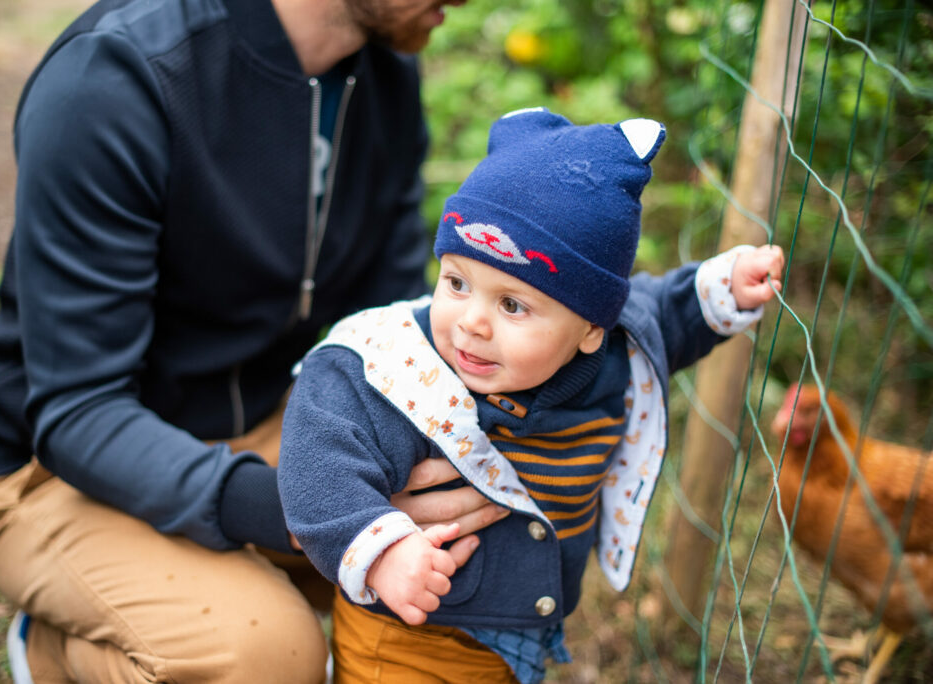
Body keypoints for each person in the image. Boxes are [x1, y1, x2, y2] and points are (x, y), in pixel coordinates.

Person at [0, 0, 504, 681]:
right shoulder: (117, 75)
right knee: (269, 657)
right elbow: (79, 412)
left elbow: (383, 333)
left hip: (276, 419)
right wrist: (327, 513)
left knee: (474, 539)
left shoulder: (385, 69)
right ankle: (56, 648)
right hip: (57, 471)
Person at [278, 108, 786, 683]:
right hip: (409, 634)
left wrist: (724, 289)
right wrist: (384, 552)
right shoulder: (390, 370)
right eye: (457, 282)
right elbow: (317, 464)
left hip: (524, 634)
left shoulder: (618, 351)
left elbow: (663, 312)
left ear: (592, 328)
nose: (472, 323)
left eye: (513, 304)